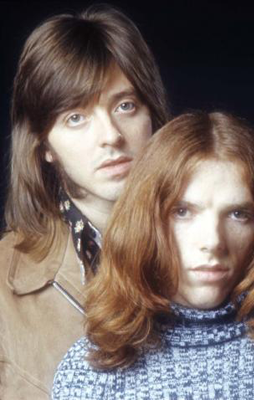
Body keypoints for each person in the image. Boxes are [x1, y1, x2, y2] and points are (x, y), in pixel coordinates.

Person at [52, 111, 254, 399]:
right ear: (145, 223)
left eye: (238, 214)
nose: (212, 241)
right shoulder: (87, 372)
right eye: (183, 212)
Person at [0, 6, 169, 397]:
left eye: (125, 106)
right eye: (76, 117)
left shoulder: (220, 246)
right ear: (44, 145)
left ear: (152, 114)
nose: (111, 135)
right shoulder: (4, 284)